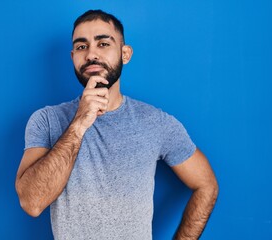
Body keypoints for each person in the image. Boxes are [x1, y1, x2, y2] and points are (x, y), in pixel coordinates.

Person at [15, 9, 218, 240]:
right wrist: (79, 124)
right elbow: (32, 203)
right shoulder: (46, 120)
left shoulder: (156, 122)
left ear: (125, 53)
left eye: (103, 43)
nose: (91, 54)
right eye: (82, 47)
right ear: (73, 57)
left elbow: (206, 184)